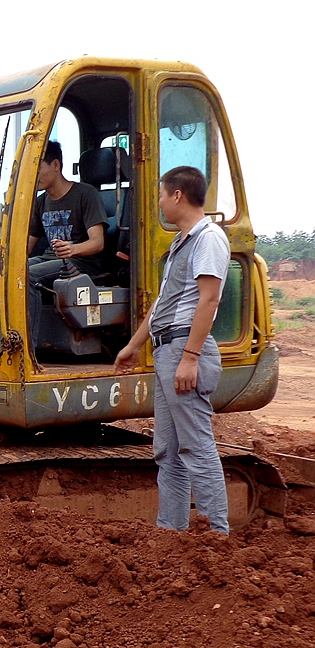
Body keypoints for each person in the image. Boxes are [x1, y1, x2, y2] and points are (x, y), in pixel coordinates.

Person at [115, 166, 230, 535]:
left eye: (162, 195)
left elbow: (208, 300)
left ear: (178, 195)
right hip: (168, 350)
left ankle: (217, 536)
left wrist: (190, 358)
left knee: (196, 447)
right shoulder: (180, 242)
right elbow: (163, 302)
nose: (160, 203)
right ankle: (170, 534)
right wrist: (134, 345)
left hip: (183, 348)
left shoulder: (208, 238)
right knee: (168, 451)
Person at [27, 140, 109, 286]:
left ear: (56, 165)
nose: (33, 175)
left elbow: (97, 243)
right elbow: (27, 247)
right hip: (49, 259)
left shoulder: (86, 194)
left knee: (28, 276)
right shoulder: (40, 202)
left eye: (37, 168)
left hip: (80, 262)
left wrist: (72, 249)